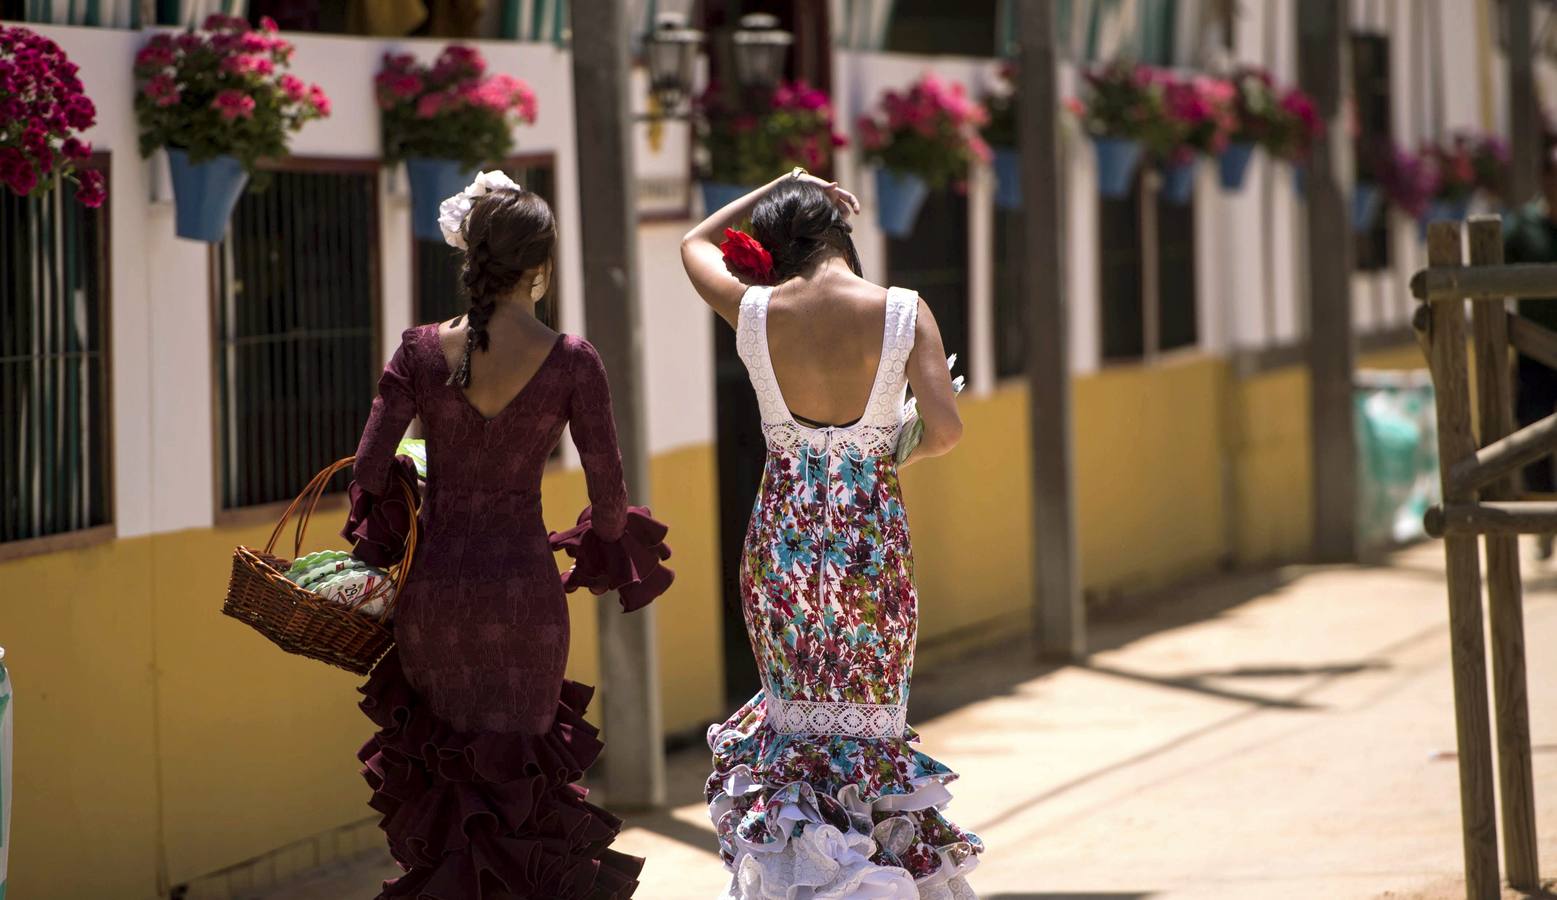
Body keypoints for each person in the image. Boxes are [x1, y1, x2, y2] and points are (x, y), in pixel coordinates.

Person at [345, 172, 674, 899]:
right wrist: (590, 541)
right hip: (524, 598)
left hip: (434, 599)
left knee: (447, 788)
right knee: (522, 792)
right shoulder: (573, 360)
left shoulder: (419, 350)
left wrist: (416, 487)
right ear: (542, 262)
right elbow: (610, 505)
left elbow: (368, 472)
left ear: (473, 258)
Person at [681, 170, 983, 899]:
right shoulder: (902, 310)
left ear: (778, 245)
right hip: (869, 549)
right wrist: (891, 444)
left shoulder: (754, 310)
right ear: (840, 235)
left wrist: (778, 182)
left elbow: (693, 242)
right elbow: (945, 430)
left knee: (796, 728)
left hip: (780, 546)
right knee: (869, 733)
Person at [1504, 134, 1557, 558]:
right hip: (1534, 354)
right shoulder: (1523, 227)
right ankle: (1543, 519)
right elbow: (1492, 273)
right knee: (1534, 435)